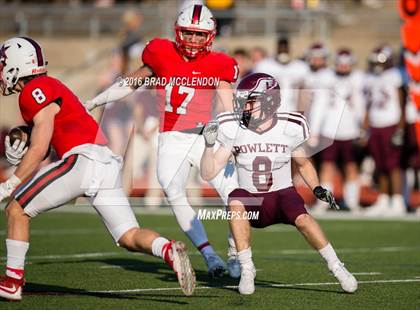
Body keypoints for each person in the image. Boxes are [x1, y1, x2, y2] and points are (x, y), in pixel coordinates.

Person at [0, 37, 195, 301]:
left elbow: (40, 145)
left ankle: (12, 281)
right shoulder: (50, 86)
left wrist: (11, 184)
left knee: (17, 208)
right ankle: (167, 249)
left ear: (15, 65)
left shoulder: (35, 89)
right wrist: (26, 142)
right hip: (106, 163)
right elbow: (45, 142)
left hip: (83, 160)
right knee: (128, 235)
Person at [85, 4, 241, 278]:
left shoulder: (221, 63)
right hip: (171, 139)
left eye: (198, 34)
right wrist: (97, 99)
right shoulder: (160, 52)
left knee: (235, 196)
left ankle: (235, 252)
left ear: (211, 35)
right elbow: (130, 82)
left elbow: (228, 107)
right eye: (188, 33)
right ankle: (209, 255)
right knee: (175, 195)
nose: (193, 40)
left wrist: (231, 139)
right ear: (178, 32)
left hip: (206, 136)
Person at [200, 73, 358, 295]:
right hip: (251, 196)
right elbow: (209, 172)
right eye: (243, 100)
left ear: (269, 100)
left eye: (250, 101)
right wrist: (208, 146)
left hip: (282, 194)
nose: (244, 106)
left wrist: (316, 188)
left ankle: (337, 266)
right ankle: (247, 269)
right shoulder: (234, 128)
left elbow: (302, 164)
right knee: (235, 200)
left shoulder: (290, 126)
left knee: (304, 219)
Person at [309, 48, 366, 212]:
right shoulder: (326, 77)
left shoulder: (358, 79)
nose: (343, 67)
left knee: (351, 166)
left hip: (351, 130)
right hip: (330, 129)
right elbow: (319, 106)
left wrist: (362, 128)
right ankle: (324, 202)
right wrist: (315, 130)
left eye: (346, 64)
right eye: (340, 64)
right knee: (327, 165)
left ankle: (352, 202)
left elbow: (361, 107)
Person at [364, 45, 406, 215]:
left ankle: (397, 201)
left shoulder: (395, 75)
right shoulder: (372, 78)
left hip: (391, 123)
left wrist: (400, 128)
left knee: (393, 165)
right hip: (376, 124)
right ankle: (383, 200)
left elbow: (402, 103)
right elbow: (370, 104)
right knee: (380, 164)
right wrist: (364, 127)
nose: (377, 65)